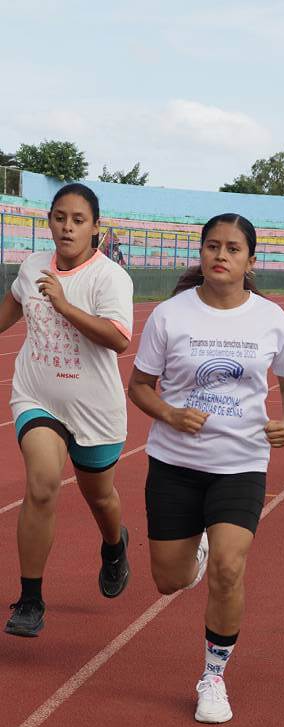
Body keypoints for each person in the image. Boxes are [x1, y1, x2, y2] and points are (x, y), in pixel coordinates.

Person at [128, 213, 284, 723]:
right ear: (201, 254)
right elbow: (140, 385)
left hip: (241, 462)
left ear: (251, 259)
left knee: (231, 567)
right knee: (169, 580)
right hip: (175, 463)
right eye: (211, 246)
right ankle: (196, 551)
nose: (220, 256)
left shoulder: (271, 318)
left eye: (232, 248)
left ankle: (213, 676)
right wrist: (169, 413)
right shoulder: (170, 315)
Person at [0, 183, 134, 637]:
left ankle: (114, 546)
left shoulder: (110, 278)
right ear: (50, 221)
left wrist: (64, 303)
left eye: (78, 220)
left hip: (95, 411)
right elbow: (10, 311)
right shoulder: (33, 267)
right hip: (37, 396)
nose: (67, 227)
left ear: (96, 228)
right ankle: (31, 599)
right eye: (60, 217)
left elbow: (118, 339)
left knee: (99, 497)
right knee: (41, 486)